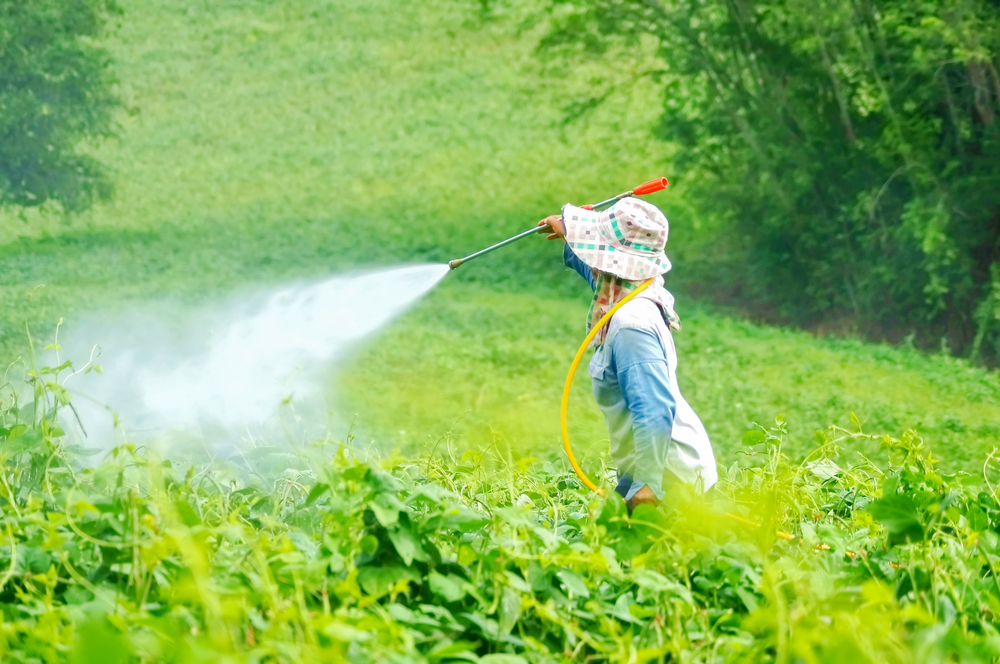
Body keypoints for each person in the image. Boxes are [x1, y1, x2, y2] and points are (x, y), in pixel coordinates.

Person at [538, 198, 717, 511]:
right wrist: (570, 233)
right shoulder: (631, 289)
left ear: (613, 261)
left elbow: (653, 410)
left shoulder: (630, 324)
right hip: (655, 470)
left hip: (669, 480)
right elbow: (596, 272)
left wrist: (647, 485)